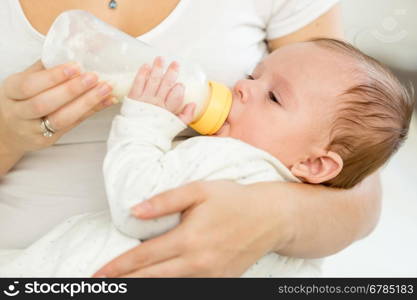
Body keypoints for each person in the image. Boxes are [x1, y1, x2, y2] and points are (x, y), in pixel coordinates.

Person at [0, 0, 382, 277]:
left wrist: (279, 218)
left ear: (314, 166)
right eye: (251, 75)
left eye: (274, 96)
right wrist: (6, 134)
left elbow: (359, 178)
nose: (241, 88)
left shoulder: (232, 161)